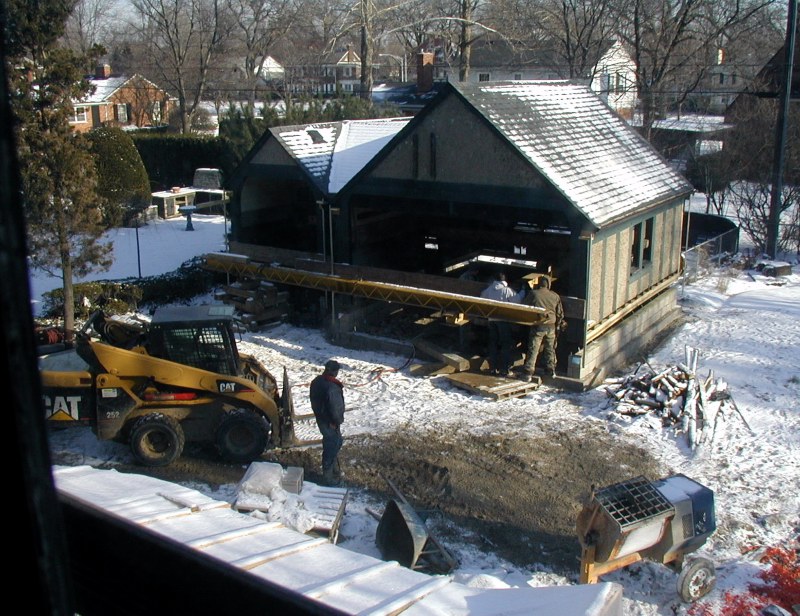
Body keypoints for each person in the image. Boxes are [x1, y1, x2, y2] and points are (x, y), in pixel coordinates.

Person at [520, 276, 564, 381]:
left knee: (533, 349)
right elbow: (560, 313)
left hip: (538, 325)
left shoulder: (534, 294)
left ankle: (528, 373)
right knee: (550, 349)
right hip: (551, 326)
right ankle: (550, 370)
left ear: (539, 283)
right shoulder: (555, 296)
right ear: (548, 284)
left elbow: (523, 306)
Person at [309, 359, 346, 486]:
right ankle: (328, 477)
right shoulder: (332, 387)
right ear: (335, 372)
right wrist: (336, 421)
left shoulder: (317, 381)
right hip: (330, 421)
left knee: (335, 442)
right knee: (333, 444)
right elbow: (335, 408)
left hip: (321, 418)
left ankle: (333, 468)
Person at [480, 273, 521, 376]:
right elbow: (518, 300)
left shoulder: (489, 289)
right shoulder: (506, 290)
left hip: (492, 320)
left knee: (493, 343)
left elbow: (482, 297)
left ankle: (493, 368)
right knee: (505, 344)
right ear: (504, 281)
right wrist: (523, 291)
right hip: (503, 320)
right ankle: (504, 369)